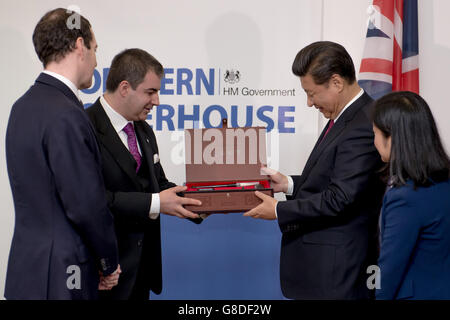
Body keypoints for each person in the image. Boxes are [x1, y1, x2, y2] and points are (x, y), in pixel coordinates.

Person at [244, 41, 385, 299]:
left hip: (337, 273)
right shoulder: (346, 116)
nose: (309, 103)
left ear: (336, 82)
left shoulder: (363, 124)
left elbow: (340, 198)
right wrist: (288, 184)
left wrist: (277, 210)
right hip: (326, 271)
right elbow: (336, 181)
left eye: (312, 93)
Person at [5, 8, 120, 300]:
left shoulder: (22, 107)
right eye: (95, 49)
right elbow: (85, 205)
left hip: (28, 273)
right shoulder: (67, 113)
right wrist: (108, 263)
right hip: (64, 277)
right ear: (80, 45)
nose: (96, 61)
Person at [86, 48, 202, 300]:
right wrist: (158, 202)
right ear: (125, 87)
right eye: (151, 92)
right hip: (103, 274)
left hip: (140, 274)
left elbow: (158, 184)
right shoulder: (84, 127)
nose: (157, 101)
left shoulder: (144, 130)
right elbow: (91, 200)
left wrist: (204, 198)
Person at [372, 91, 450, 300]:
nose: (374, 142)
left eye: (375, 134)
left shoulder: (405, 197)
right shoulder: (443, 183)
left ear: (392, 136)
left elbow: (389, 268)